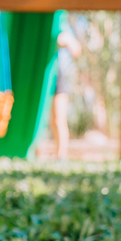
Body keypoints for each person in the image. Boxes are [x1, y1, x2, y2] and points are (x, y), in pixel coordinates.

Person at [50, 20, 83, 161]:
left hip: (57, 75)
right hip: (37, 76)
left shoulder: (61, 23)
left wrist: (65, 39)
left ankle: (61, 157)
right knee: (47, 119)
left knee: (58, 118)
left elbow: (76, 50)